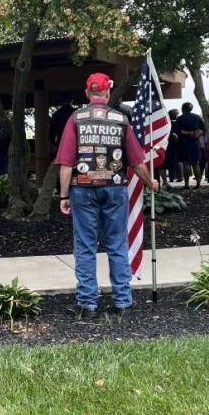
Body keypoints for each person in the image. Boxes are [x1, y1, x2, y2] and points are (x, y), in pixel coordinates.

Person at [55, 73, 159, 318]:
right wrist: (150, 182)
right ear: (108, 93)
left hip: (82, 188)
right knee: (117, 245)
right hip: (115, 188)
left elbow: (66, 163)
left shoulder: (76, 119)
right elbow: (136, 161)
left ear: (87, 93)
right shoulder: (121, 120)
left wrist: (63, 195)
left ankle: (87, 304)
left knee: (85, 246)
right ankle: (123, 301)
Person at [172, 102, 204, 188]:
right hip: (195, 143)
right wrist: (197, 133)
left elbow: (176, 131)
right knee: (196, 164)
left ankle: (186, 185)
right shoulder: (197, 117)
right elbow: (203, 129)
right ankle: (198, 184)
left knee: (186, 163)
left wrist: (187, 133)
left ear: (183, 108)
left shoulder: (180, 118)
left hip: (183, 143)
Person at [164, 109, 182, 184]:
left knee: (170, 160)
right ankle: (179, 176)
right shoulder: (178, 123)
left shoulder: (166, 123)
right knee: (177, 161)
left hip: (168, 144)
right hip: (176, 144)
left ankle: (172, 177)